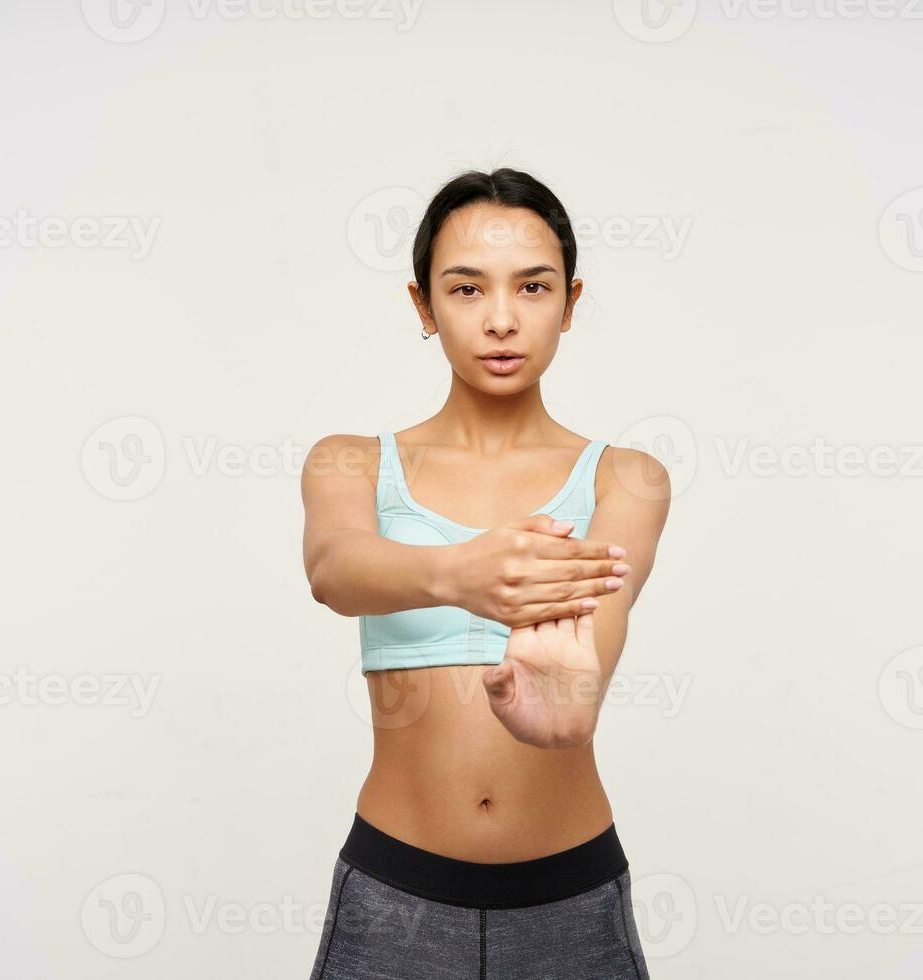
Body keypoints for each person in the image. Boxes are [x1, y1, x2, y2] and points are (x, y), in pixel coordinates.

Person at [301, 168, 670, 979]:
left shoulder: (627, 477)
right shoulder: (350, 462)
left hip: (572, 901)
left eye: (532, 287)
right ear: (423, 307)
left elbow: (604, 612)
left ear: (570, 304)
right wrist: (460, 574)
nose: (501, 319)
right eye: (466, 290)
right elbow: (334, 569)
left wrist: (573, 698)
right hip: (395, 898)